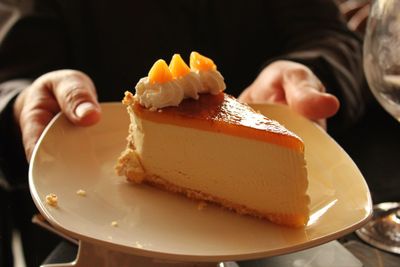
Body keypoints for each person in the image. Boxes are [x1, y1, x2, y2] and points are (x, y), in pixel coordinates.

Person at [0, 0, 367, 266]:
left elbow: (329, 35)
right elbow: (10, 75)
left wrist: (304, 68)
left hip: (282, 256)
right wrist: (21, 102)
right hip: (90, 236)